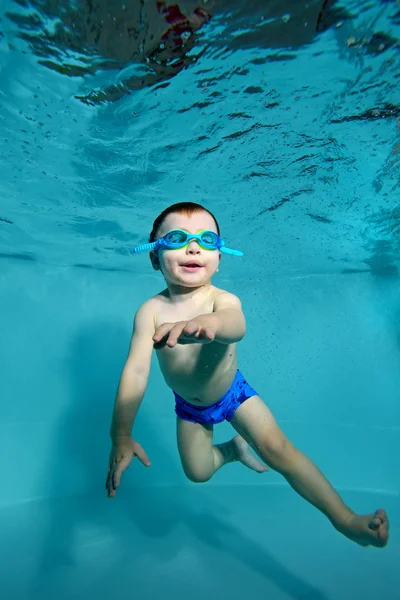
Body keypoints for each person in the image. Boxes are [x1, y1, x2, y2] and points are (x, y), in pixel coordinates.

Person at [106, 201, 389, 548]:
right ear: (154, 257)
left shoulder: (221, 300)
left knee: (278, 449)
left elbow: (236, 325)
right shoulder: (150, 311)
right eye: (178, 238)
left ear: (219, 258)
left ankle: (346, 520)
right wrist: (121, 435)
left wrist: (207, 324)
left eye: (207, 240)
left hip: (233, 395)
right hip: (189, 407)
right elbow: (135, 372)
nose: (193, 247)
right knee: (197, 473)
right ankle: (233, 451)